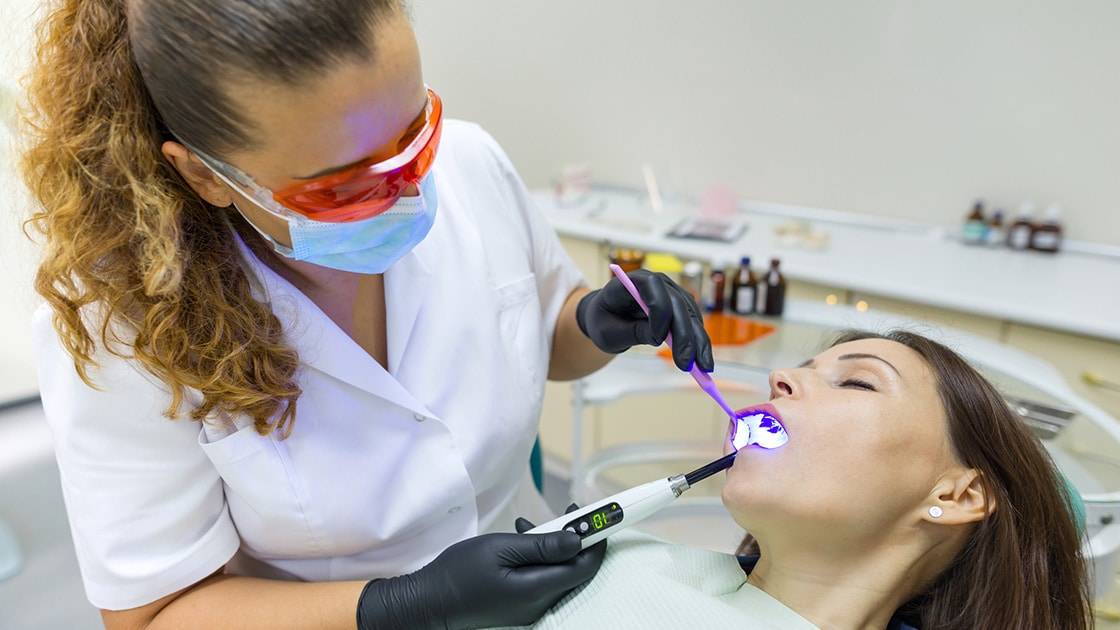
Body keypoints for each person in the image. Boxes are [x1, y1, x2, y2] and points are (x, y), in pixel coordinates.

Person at [18, 0, 712, 627]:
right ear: (205, 174)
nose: (406, 192)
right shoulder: (120, 321)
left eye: (415, 137)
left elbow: (543, 341)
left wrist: (591, 323)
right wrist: (401, 605)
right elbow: (153, 615)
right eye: (343, 186)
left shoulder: (474, 164)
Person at [500, 330, 1092, 629]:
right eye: (802, 368)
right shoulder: (627, 556)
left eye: (857, 382)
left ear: (956, 494)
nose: (779, 377)